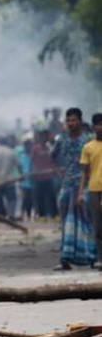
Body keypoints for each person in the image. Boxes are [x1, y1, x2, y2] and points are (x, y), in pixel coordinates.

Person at [52, 107, 96, 270]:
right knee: (66, 221)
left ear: (80, 121)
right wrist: (59, 172)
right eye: (69, 120)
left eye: (74, 120)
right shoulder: (62, 139)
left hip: (86, 184)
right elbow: (53, 156)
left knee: (87, 219)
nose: (71, 123)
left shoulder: (89, 139)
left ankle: (91, 256)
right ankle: (65, 257)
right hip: (68, 184)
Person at [78, 113, 102, 269]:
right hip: (94, 189)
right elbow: (85, 172)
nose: (100, 127)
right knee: (98, 226)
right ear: (93, 127)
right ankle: (100, 257)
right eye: (98, 124)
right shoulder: (88, 147)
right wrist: (80, 192)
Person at [0, 138, 21, 218]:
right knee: (12, 199)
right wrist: (21, 174)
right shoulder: (11, 152)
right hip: (10, 180)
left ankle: (0, 216)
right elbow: (18, 165)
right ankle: (11, 215)